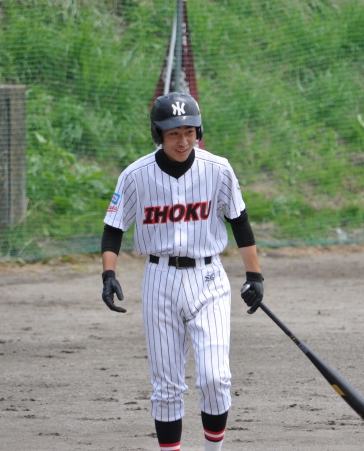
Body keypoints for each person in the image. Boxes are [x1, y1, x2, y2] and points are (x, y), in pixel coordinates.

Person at [100, 92, 264, 451]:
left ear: (198, 132)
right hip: (159, 280)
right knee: (167, 386)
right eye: (174, 133)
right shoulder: (136, 175)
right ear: (158, 134)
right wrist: (108, 275)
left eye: (189, 132)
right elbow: (114, 228)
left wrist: (254, 276)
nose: (183, 141)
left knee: (215, 378)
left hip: (208, 278)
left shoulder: (218, 169)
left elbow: (239, 221)